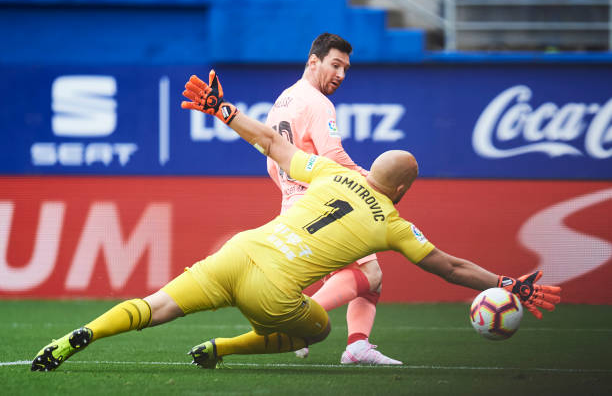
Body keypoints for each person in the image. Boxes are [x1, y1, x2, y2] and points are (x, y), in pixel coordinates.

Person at [31, 70, 562, 372]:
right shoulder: (394, 224)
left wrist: (224, 110)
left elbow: (271, 142)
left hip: (239, 251)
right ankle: (226, 347)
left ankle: (80, 336)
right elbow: (448, 267)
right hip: (276, 290)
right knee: (316, 330)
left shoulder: (329, 173)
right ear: (402, 190)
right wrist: (504, 282)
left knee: (156, 306)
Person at [264, 32, 395, 364]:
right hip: (325, 205)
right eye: (335, 65)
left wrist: (291, 192)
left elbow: (271, 161)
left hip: (295, 205)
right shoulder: (318, 103)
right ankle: (300, 325)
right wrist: (369, 179)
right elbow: (333, 155)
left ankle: (356, 345)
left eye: (346, 68)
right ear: (313, 61)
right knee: (372, 275)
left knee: (362, 278)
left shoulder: (283, 100)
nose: (340, 74)